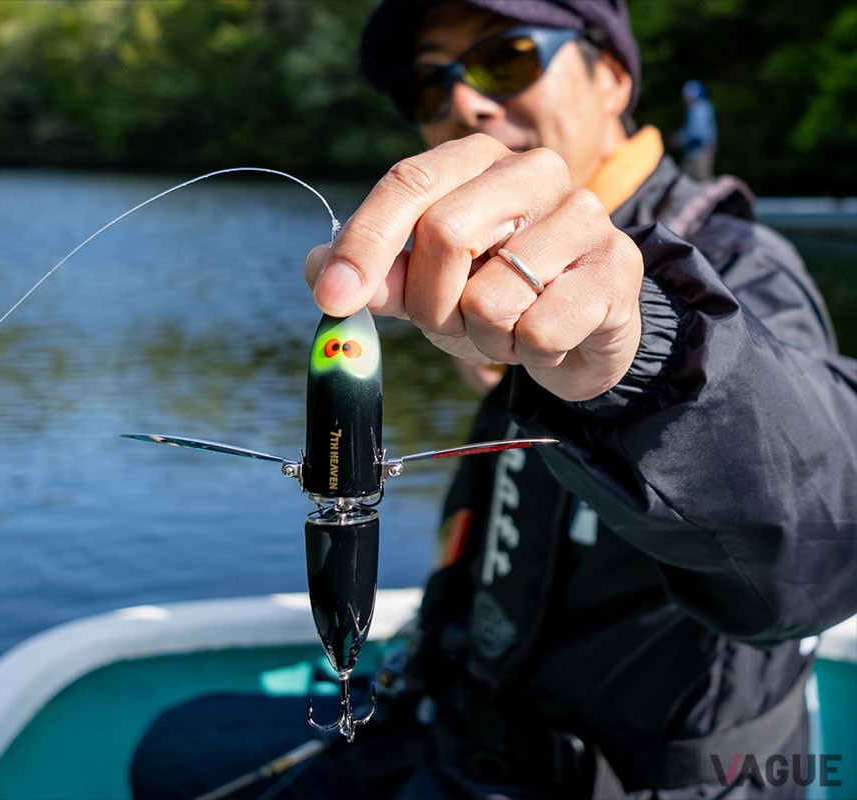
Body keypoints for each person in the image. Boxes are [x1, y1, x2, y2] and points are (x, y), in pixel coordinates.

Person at [131, 1, 857, 797]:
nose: (463, 103)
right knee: (171, 749)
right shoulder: (490, 277)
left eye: (504, 58)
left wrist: (643, 354)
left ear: (612, 77)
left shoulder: (743, 267)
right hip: (457, 728)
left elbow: (826, 546)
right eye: (427, 85)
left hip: (627, 780)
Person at [672, 79, 718, 180]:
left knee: (701, 179)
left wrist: (680, 138)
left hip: (700, 149)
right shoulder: (701, 107)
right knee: (687, 177)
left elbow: (697, 131)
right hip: (695, 149)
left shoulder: (699, 108)